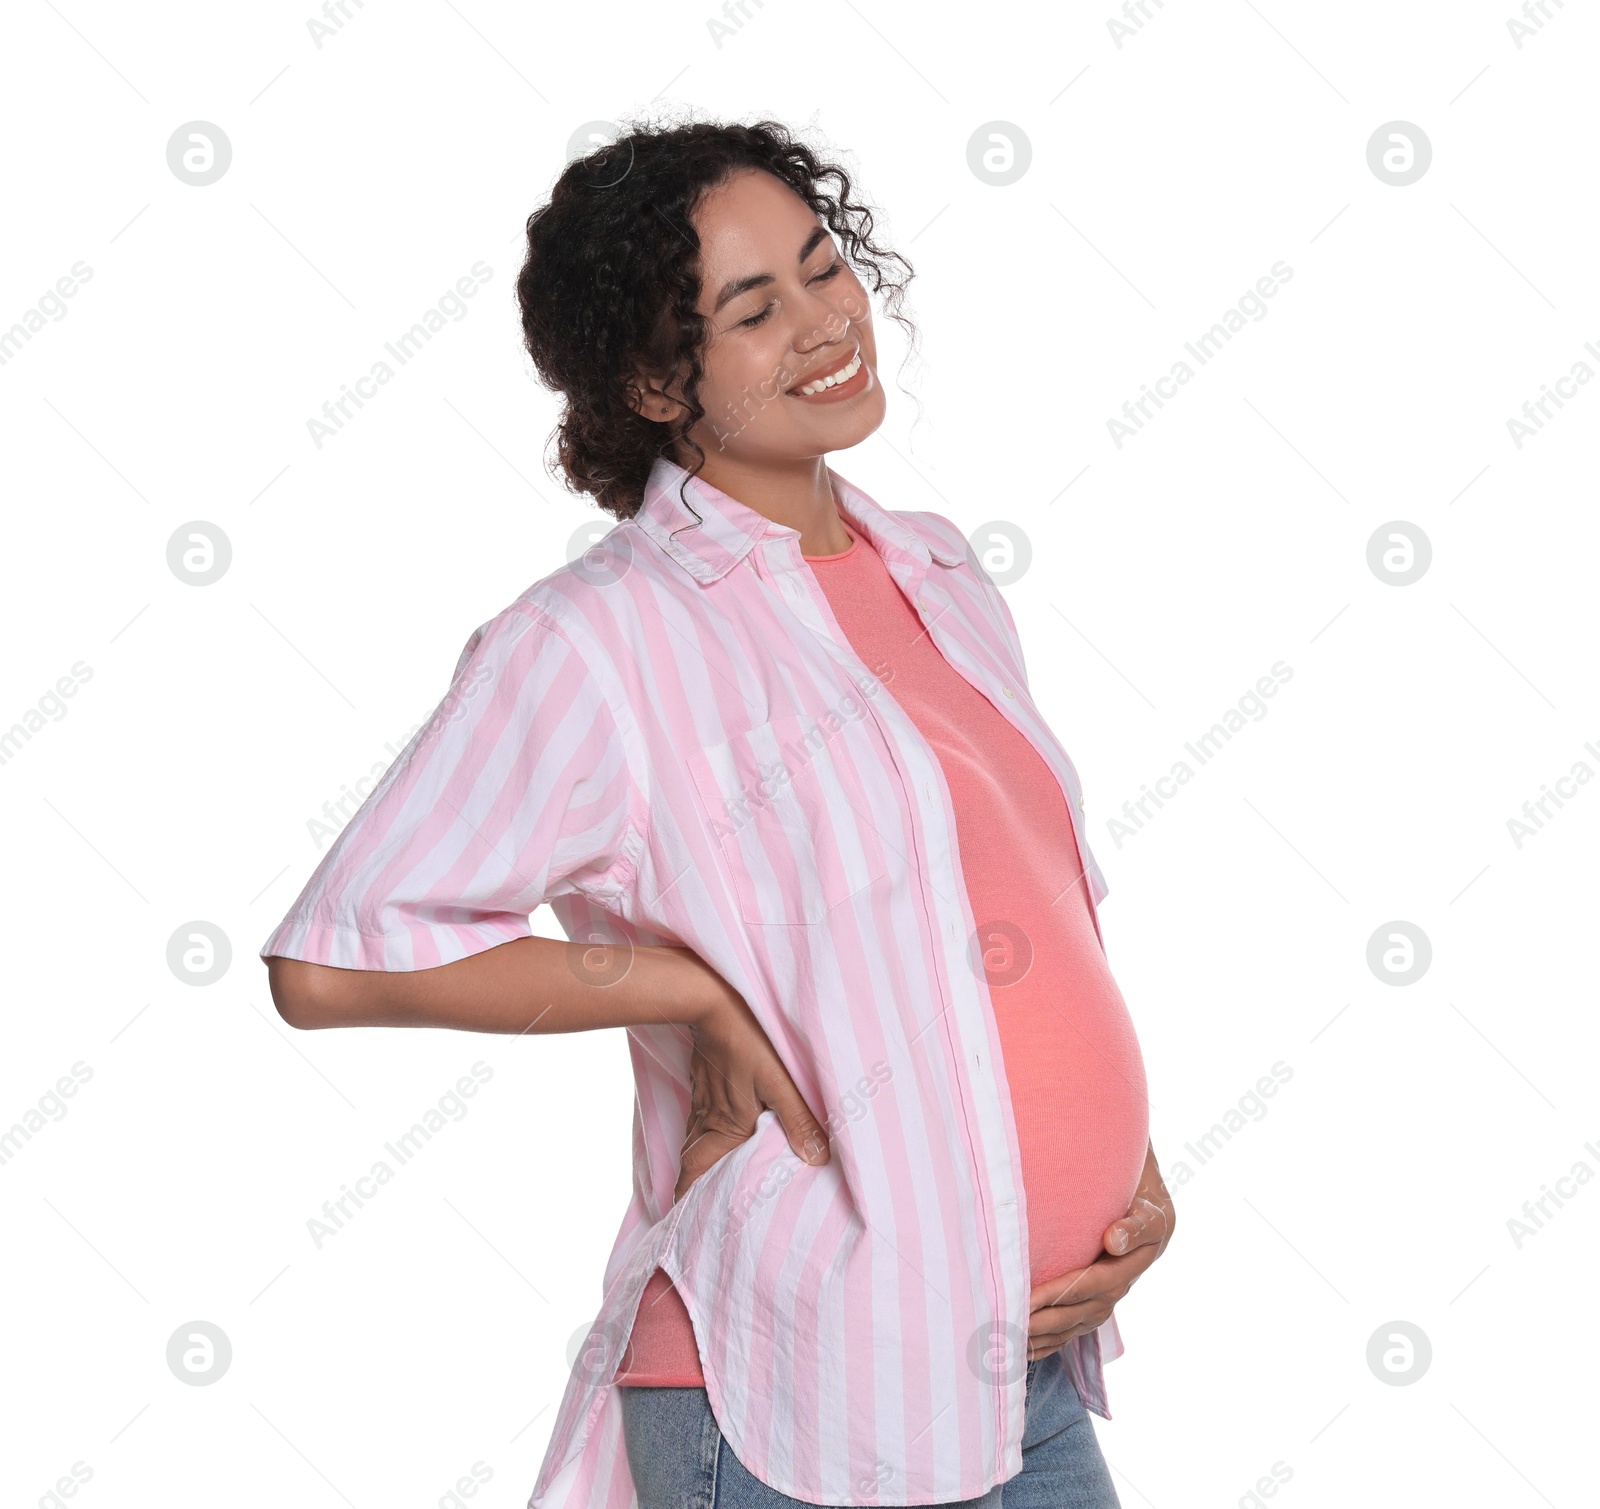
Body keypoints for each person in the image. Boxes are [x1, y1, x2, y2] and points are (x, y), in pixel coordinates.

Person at [262, 116, 1175, 1509]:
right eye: (754, 310)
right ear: (650, 377)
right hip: (796, 1398)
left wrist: (1130, 1170)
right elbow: (334, 958)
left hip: (1022, 1377)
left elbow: (1026, 912)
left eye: (824, 269)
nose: (825, 324)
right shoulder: (601, 640)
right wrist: (685, 987)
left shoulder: (935, 573)